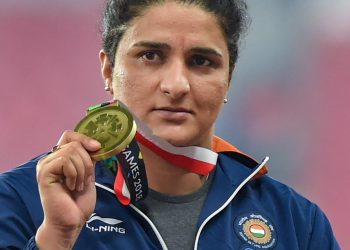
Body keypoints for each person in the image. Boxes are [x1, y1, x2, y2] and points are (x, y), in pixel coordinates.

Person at [0, 0, 340, 249]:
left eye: (201, 61)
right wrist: (56, 237)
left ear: (229, 80)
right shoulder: (21, 200)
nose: (176, 84)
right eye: (151, 56)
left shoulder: (296, 222)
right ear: (108, 70)